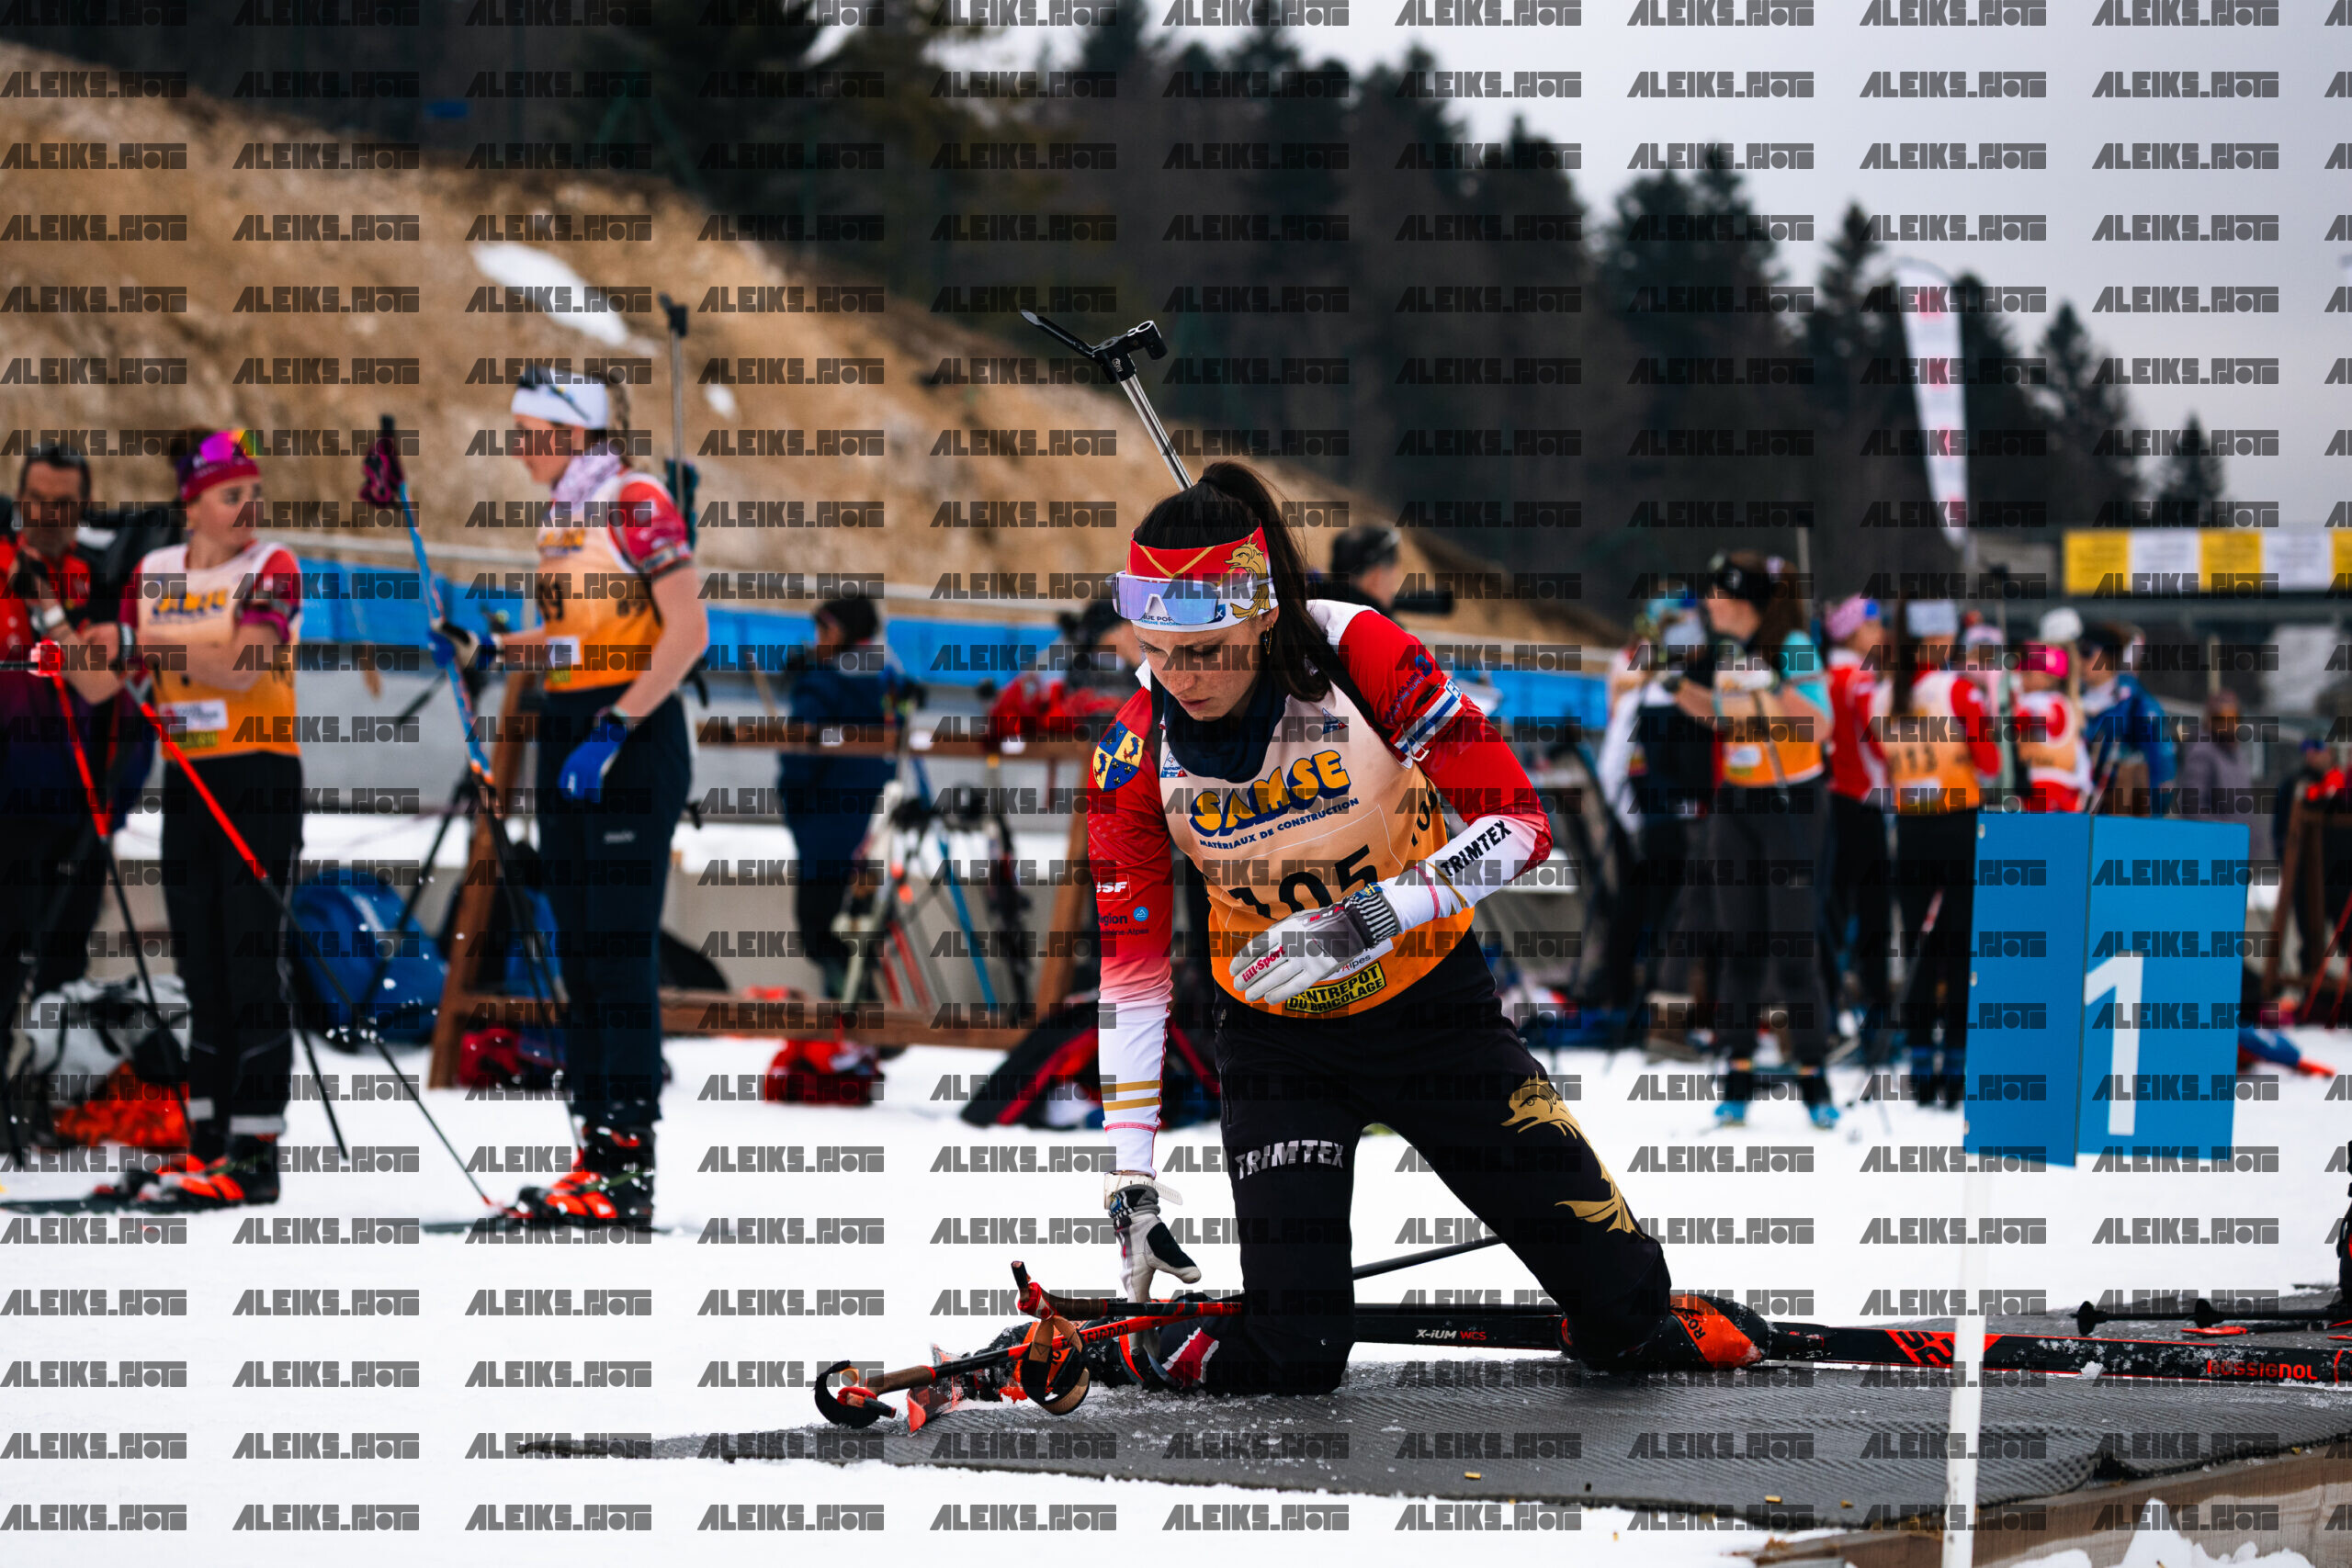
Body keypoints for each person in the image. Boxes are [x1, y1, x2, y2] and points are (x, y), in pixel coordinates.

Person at [1053, 459, 1756, 1398]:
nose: (1182, 678)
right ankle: (1132, 1346)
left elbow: (1520, 826)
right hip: (1278, 1044)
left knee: (1628, 1312)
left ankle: (1613, 1295)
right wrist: (1128, 1182)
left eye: (1207, 650)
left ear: (1262, 614)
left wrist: (1371, 916)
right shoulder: (1131, 753)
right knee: (1296, 1354)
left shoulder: (1359, 652)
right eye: (1158, 651)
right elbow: (1132, 981)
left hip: (1430, 1008)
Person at [435, 368, 708, 1227]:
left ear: (575, 431)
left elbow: (688, 632)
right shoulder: (563, 517)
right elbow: (569, 642)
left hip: (628, 737)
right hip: (569, 730)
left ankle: (628, 1163)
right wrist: (490, 650)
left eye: (531, 432)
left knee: (619, 955)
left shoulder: (636, 501)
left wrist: (618, 725)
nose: (519, 447)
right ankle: (597, 1151)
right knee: (581, 955)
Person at [63, 432, 302, 1208]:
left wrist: (141, 641)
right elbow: (98, 685)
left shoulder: (272, 565)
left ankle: (254, 1149)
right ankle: (206, 1140)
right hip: (190, 778)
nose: (249, 507)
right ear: (190, 504)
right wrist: (65, 627)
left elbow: (244, 663)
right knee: (200, 965)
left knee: (249, 959)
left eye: (254, 492)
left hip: (258, 774)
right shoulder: (155, 572)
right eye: (232, 494)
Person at [1668, 553, 1838, 1129]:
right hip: (1737, 804)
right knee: (1737, 942)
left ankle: (1814, 1077)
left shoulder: (1794, 645)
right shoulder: (1726, 652)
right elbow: (1723, 717)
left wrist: (1777, 683)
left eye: (1715, 594)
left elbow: (1821, 724)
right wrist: (1673, 684)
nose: (1707, 603)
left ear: (1740, 599)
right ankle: (1737, 1075)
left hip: (1791, 802)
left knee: (1792, 947)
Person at [1871, 599, 2001, 1109]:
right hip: (1959, 824)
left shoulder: (1882, 694)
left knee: (1919, 945)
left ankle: (1922, 1063)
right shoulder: (1959, 691)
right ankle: (1958, 1067)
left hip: (1911, 828)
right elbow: (1990, 763)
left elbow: (1883, 761)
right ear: (1941, 639)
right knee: (1961, 947)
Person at [778, 593, 897, 1000]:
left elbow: (800, 756)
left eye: (823, 630)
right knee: (855, 936)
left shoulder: (822, 685)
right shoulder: (886, 681)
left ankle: (856, 1020)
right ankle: (857, 1018)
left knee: (821, 934)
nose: (816, 639)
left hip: (826, 831)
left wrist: (794, 805)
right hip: (872, 830)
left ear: (841, 633)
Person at [1817, 595, 1892, 1040]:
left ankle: (1825, 1007)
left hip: (1830, 804)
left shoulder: (1823, 674)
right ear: (1850, 634)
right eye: (1872, 627)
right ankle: (1877, 1009)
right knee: (1873, 911)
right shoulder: (1860, 680)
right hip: (1864, 802)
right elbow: (1880, 743)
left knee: (1832, 908)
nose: (1881, 635)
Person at [2079, 621, 2176, 815]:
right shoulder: (2070, 701)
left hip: (2119, 817)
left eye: (2086, 652)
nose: (2080, 660)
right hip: (2074, 816)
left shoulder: (2136, 705)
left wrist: (2153, 817)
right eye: (2077, 653)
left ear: (2109, 656)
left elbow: (2161, 765)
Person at [2177, 689, 2260, 852]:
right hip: (2214, 850)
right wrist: (2224, 835)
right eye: (2221, 718)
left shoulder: (2235, 753)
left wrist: (2253, 840)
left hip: (2238, 849)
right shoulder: (2202, 752)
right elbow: (2191, 806)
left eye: (2233, 717)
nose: (2228, 724)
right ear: (2210, 720)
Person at [2012, 643, 2089, 813]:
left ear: (2049, 678)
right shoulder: (2061, 702)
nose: (2021, 677)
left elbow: (2023, 721)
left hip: (2048, 788)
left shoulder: (2046, 701)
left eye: (2028, 673)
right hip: (2055, 788)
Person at [1320, 524, 1404, 613]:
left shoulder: (1314, 608)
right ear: (1376, 577)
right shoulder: (1376, 620)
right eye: (1393, 580)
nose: (1393, 590)